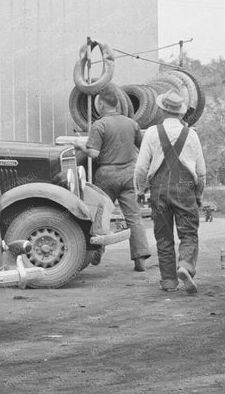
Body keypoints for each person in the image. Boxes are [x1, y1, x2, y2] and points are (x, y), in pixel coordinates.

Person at [134, 89, 207, 295]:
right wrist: (199, 194)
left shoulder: (151, 133)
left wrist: (140, 189)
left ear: (162, 110)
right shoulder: (191, 135)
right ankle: (185, 265)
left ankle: (168, 281)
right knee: (188, 233)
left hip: (159, 190)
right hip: (185, 190)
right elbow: (201, 172)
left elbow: (141, 168)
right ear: (182, 113)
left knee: (163, 236)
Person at [85, 91, 153, 271]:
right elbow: (143, 146)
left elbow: (94, 153)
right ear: (117, 105)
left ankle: (96, 251)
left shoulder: (99, 125)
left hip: (106, 176)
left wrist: (80, 147)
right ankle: (140, 257)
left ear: (101, 105)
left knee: (100, 216)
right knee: (133, 217)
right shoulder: (132, 123)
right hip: (129, 175)